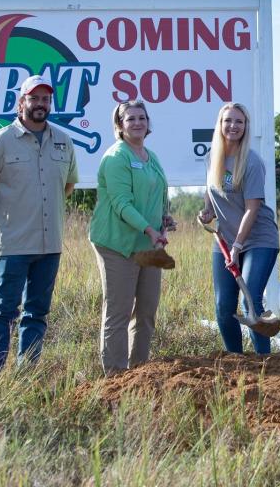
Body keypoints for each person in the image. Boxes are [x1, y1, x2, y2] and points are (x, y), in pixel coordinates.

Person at [0, 74, 78, 374]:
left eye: (46, 99)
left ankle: (26, 374)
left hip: (50, 243)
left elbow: (67, 184)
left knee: (37, 312)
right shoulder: (1, 140)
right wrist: (4, 216)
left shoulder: (63, 141)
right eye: (34, 98)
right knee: (5, 311)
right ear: (21, 103)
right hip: (13, 243)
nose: (40, 104)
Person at [89, 100, 172, 376]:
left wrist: (164, 219)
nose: (137, 123)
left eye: (141, 117)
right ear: (119, 126)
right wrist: (149, 230)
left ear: (148, 123)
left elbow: (159, 194)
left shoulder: (152, 156)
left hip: (147, 246)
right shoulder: (116, 157)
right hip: (116, 244)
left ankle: (139, 373)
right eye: (130, 119)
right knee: (119, 311)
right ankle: (114, 376)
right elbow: (122, 203)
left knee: (147, 311)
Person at [198, 102, 280, 355]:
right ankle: (236, 360)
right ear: (220, 125)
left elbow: (252, 208)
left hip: (258, 239)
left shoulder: (252, 162)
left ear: (245, 127)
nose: (233, 126)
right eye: (228, 121)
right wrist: (207, 212)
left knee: (250, 299)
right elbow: (212, 193)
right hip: (226, 238)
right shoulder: (212, 157)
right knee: (223, 306)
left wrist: (237, 246)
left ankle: (264, 361)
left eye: (239, 122)